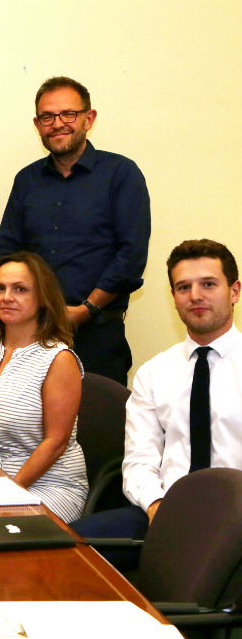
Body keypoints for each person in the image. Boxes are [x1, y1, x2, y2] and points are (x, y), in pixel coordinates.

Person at [72, 240, 241, 563]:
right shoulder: (154, 373)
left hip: (235, 517)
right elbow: (139, 461)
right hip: (164, 511)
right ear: (174, 297)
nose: (195, 295)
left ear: (234, 291)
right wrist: (156, 506)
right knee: (62, 549)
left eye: (208, 284)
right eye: (183, 287)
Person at [0, 76, 151, 386]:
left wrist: (86, 309)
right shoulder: (26, 181)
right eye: (47, 117)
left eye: (68, 114)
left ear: (88, 118)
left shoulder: (121, 174)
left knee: (97, 427)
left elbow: (131, 255)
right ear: (37, 124)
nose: (58, 124)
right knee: (33, 430)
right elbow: (10, 254)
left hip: (98, 336)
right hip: (34, 334)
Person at [0, 252, 87, 522]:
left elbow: (56, 442)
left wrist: (7, 492)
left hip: (48, 485)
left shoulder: (58, 359)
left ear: (43, 298)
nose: (6, 297)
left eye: (20, 289)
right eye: (0, 288)